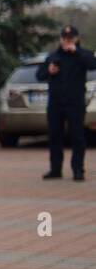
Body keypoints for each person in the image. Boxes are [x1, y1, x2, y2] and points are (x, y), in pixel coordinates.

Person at [39, 24, 96, 181]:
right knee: (55, 136)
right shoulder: (53, 56)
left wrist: (76, 52)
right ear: (60, 39)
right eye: (64, 38)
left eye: (70, 38)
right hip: (56, 103)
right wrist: (48, 71)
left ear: (76, 39)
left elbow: (92, 65)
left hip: (75, 103)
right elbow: (40, 74)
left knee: (77, 136)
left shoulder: (83, 55)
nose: (67, 41)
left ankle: (78, 169)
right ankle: (55, 169)